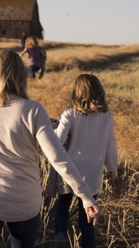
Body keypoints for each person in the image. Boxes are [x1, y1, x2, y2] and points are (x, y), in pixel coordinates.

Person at [0, 49, 99, 248]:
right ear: (21, 75)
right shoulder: (33, 110)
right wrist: (86, 197)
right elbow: (57, 158)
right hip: (24, 203)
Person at [54, 74, 118, 248]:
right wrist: (112, 168)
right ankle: (88, 244)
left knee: (63, 201)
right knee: (88, 215)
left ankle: (60, 233)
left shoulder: (70, 113)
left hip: (70, 169)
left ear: (77, 91)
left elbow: (57, 140)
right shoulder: (107, 116)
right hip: (93, 171)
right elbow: (110, 145)